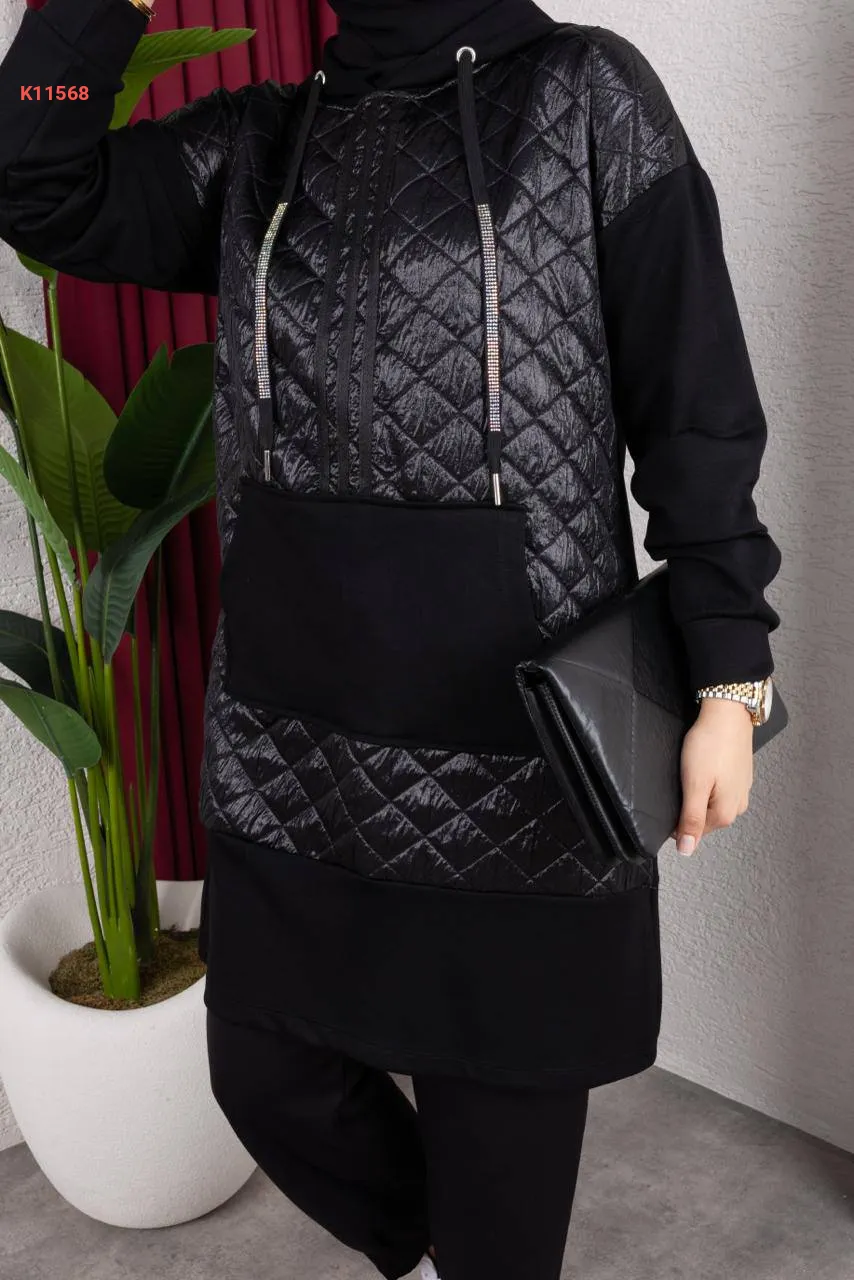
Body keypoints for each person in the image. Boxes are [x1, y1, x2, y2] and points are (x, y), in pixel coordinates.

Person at [0, 0, 782, 1276]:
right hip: (292, 743)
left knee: (497, 1193)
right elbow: (35, 182)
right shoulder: (259, 143)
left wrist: (728, 674)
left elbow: (692, 407)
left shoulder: (585, 94)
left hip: (515, 760)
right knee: (260, 1068)